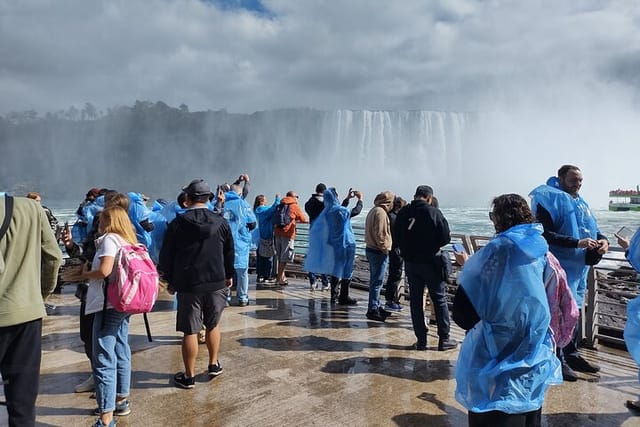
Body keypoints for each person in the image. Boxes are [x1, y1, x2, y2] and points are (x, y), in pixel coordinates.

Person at [453, 194, 562, 427]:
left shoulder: (497, 249)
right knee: (527, 403)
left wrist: (469, 267)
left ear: (500, 219)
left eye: (493, 216)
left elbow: (463, 313)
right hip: (534, 342)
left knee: (496, 409)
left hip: (497, 344)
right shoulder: (541, 248)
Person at [530, 165, 608, 381]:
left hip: (579, 267)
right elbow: (544, 234)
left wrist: (604, 240)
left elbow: (590, 228)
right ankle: (558, 359)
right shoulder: (547, 199)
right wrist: (576, 242)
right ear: (560, 178)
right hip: (558, 267)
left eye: (580, 180)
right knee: (558, 313)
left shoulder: (579, 202)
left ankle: (572, 354)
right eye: (573, 180)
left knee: (573, 311)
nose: (578, 184)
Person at [159, 179, 235, 389]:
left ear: (188, 199)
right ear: (209, 198)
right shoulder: (221, 222)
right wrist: (229, 275)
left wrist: (169, 280)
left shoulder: (177, 224)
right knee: (213, 324)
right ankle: (213, 364)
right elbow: (229, 252)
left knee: (190, 331)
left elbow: (167, 256)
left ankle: (189, 376)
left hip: (188, 284)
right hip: (217, 281)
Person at [67, 206, 137, 427]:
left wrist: (85, 274)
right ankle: (121, 400)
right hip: (123, 302)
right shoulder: (127, 239)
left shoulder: (109, 240)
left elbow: (105, 271)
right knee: (120, 348)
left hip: (108, 305)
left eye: (101, 219)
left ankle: (106, 417)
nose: (97, 222)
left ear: (110, 221)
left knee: (103, 357)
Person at [0, 194, 62, 426]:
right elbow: (54, 258)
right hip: (26, 314)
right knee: (22, 402)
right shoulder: (31, 208)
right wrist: (38, 297)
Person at [62, 191, 130, 395]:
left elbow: (101, 268)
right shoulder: (126, 233)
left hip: (101, 296)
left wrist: (88, 273)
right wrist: (70, 245)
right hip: (115, 296)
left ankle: (107, 386)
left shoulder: (110, 237)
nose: (99, 214)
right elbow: (85, 254)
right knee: (113, 343)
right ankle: (115, 388)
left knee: (102, 343)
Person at [394, 185, 457, 351]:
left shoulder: (403, 212)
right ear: (429, 198)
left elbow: (396, 236)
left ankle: (421, 340)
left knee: (415, 301)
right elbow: (445, 238)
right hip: (431, 262)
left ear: (415, 196)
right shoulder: (433, 212)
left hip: (411, 263)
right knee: (439, 299)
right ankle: (444, 339)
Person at [305, 188, 361, 305]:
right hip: (346, 244)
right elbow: (355, 211)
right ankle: (344, 296)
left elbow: (341, 209)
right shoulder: (340, 211)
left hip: (334, 245)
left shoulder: (327, 212)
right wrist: (360, 200)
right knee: (347, 270)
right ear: (336, 197)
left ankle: (334, 296)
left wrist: (347, 198)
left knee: (336, 269)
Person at [223, 186, 257, 306]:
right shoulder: (243, 204)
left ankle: (225, 298)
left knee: (225, 272)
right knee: (242, 272)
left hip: (224, 244)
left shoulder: (221, 202)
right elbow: (252, 223)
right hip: (241, 243)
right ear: (240, 193)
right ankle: (242, 298)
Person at [364, 191, 395, 321]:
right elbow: (381, 234)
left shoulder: (373, 210)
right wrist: (385, 249)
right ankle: (373, 309)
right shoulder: (381, 213)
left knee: (375, 281)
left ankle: (376, 305)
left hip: (370, 249)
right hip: (378, 251)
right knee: (377, 282)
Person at [273, 191, 308, 286]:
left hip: (277, 233)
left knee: (280, 257)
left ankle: (282, 277)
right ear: (293, 197)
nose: (297, 199)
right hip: (287, 234)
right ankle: (278, 279)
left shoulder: (281, 204)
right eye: (297, 196)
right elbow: (303, 219)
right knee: (284, 258)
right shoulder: (294, 206)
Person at [305, 183, 330, 291]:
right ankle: (325, 283)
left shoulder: (309, 202)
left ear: (316, 190)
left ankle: (313, 282)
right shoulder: (327, 203)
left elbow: (308, 211)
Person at [384, 196, 407, 312]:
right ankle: (390, 301)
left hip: (391, 248)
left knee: (393, 274)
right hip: (396, 249)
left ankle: (391, 299)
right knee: (395, 275)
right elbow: (399, 235)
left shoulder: (389, 216)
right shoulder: (395, 218)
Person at [254, 194, 280, 287]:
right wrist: (277, 198)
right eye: (265, 200)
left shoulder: (257, 210)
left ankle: (260, 275)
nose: (266, 201)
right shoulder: (264, 210)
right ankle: (266, 276)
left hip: (259, 236)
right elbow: (273, 208)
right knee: (269, 257)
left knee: (260, 256)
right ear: (262, 201)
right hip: (267, 235)